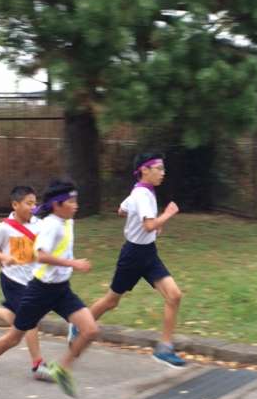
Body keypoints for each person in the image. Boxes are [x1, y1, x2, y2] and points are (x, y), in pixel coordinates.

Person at [0, 179, 99, 398]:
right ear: (57, 204)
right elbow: (41, 255)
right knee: (15, 336)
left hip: (61, 289)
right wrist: (73, 263)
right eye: (71, 201)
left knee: (91, 330)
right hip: (38, 289)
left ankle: (62, 368)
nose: (76, 205)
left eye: (76, 200)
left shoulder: (64, 221)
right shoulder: (48, 225)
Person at [68, 151, 186, 368]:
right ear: (145, 170)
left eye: (163, 168)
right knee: (112, 301)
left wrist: (147, 224)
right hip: (133, 256)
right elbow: (148, 225)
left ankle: (164, 348)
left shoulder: (140, 191)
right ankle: (79, 324)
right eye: (159, 168)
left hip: (148, 254)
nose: (163, 172)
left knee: (174, 295)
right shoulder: (142, 195)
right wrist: (167, 215)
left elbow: (121, 210)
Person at [0, 185, 52, 382]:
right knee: (30, 320)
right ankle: (38, 365)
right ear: (15, 205)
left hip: (32, 280)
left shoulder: (39, 224)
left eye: (34, 203)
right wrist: (4, 257)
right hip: (12, 281)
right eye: (28, 203)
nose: (33, 207)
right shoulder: (3, 228)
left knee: (18, 321)